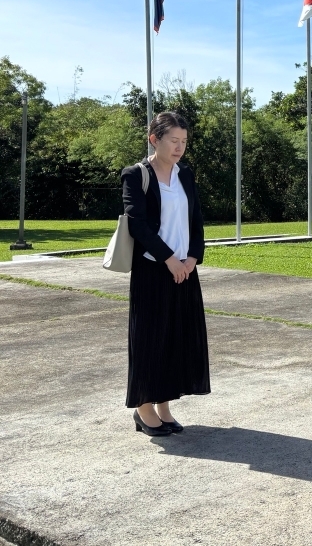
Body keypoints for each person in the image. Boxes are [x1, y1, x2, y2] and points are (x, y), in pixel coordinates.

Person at [123, 111, 209, 437]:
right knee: (149, 340)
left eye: (184, 141)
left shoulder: (185, 175)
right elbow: (137, 224)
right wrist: (169, 258)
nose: (180, 147)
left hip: (184, 270)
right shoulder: (136, 175)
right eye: (174, 140)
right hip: (152, 270)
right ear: (154, 139)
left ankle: (164, 406)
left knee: (175, 339)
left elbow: (196, 221)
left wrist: (192, 258)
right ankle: (143, 410)